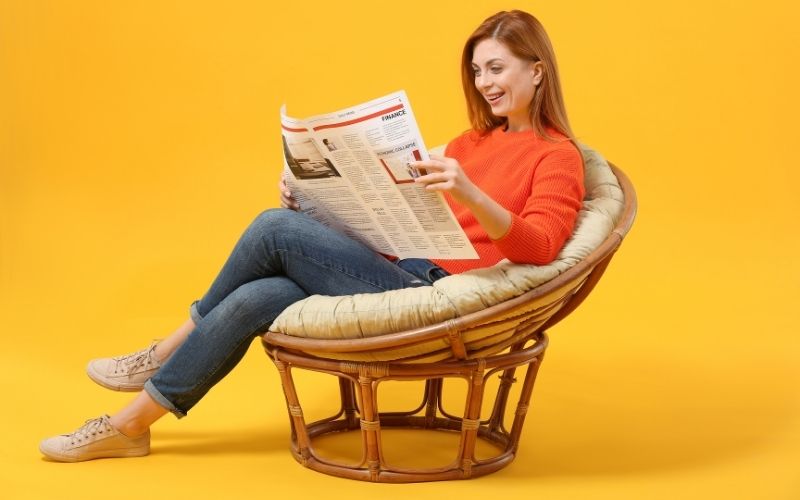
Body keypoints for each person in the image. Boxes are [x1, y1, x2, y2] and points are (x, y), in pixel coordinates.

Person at [39, 10, 585, 462]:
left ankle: (163, 351)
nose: (484, 82)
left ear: (537, 71)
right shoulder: (471, 142)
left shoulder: (558, 156)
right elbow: (396, 208)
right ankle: (130, 426)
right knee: (259, 295)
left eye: (496, 68)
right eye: (476, 71)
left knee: (272, 229)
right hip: (398, 267)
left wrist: (469, 194)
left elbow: (540, 247)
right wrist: (313, 192)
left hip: (436, 297)